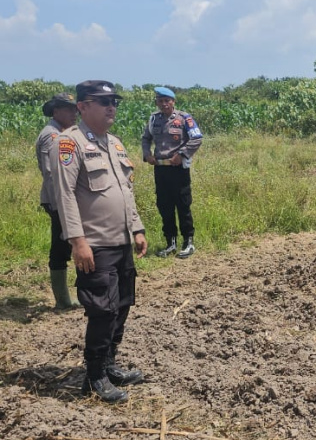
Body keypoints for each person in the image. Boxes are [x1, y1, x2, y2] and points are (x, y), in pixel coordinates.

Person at [51, 80, 147, 403]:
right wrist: (77, 241)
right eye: (103, 101)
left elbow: (125, 190)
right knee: (102, 310)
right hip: (94, 244)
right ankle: (93, 377)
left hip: (120, 242)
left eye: (114, 102)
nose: (111, 107)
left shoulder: (115, 144)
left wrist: (137, 228)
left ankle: (109, 364)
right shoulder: (69, 143)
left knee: (121, 305)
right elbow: (64, 196)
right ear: (82, 107)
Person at [141, 87, 203, 259]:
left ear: (173, 102)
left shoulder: (184, 118)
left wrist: (182, 154)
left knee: (183, 205)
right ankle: (171, 243)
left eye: (167, 100)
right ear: (157, 102)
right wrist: (147, 154)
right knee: (164, 206)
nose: (164, 104)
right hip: (160, 169)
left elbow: (196, 138)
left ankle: (188, 242)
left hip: (178, 169)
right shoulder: (154, 119)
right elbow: (146, 138)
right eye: (160, 101)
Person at [36, 93, 80, 309]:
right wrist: (63, 205)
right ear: (56, 111)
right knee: (62, 245)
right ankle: (63, 300)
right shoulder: (51, 136)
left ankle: (67, 298)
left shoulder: (62, 133)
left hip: (62, 199)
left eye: (75, 109)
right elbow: (52, 175)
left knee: (65, 243)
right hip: (57, 199)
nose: (75, 114)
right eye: (69, 109)